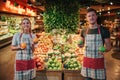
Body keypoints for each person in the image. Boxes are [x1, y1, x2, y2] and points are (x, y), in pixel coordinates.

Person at [78, 8, 112, 80]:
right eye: (89, 16)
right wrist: (80, 45)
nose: (91, 17)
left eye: (93, 15)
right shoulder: (84, 30)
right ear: (86, 18)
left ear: (96, 16)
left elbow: (109, 47)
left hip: (98, 61)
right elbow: (81, 44)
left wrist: (104, 49)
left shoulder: (104, 30)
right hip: (87, 61)